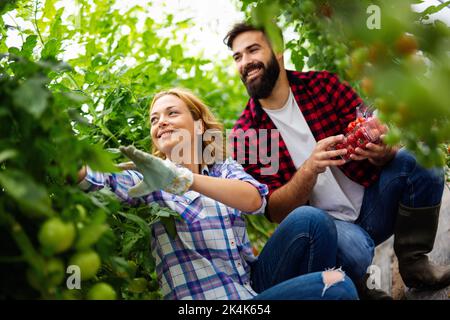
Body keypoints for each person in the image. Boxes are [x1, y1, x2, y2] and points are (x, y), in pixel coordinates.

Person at [224, 22, 448, 299]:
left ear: (278, 50)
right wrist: (309, 169)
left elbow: (378, 136)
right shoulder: (248, 134)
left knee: (422, 160)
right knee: (356, 248)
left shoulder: (323, 86)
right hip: (328, 233)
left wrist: (382, 151)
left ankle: (415, 265)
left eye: (253, 50)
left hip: (374, 201)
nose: (246, 62)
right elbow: (275, 211)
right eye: (238, 56)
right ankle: (358, 287)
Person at [77, 88, 358, 300]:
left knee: (311, 220)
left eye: (172, 113)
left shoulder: (222, 169)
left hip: (251, 291)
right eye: (154, 119)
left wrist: (183, 178)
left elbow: (254, 199)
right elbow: (100, 179)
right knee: (337, 285)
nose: (160, 122)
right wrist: (65, 160)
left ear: (198, 126)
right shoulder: (148, 178)